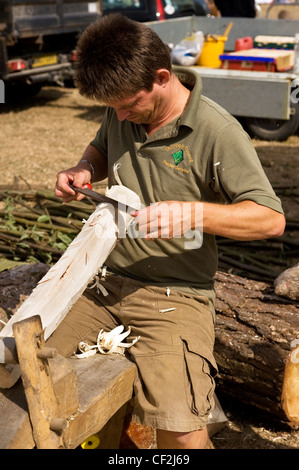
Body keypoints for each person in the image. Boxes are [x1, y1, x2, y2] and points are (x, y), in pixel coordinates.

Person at [50, 13, 285, 449]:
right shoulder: (121, 104)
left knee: (180, 428)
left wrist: (194, 214)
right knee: (27, 369)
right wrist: (84, 168)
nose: (118, 115)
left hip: (175, 295)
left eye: (126, 105)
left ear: (162, 77)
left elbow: (270, 219)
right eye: (112, 107)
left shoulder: (217, 130)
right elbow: (103, 144)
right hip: (102, 284)